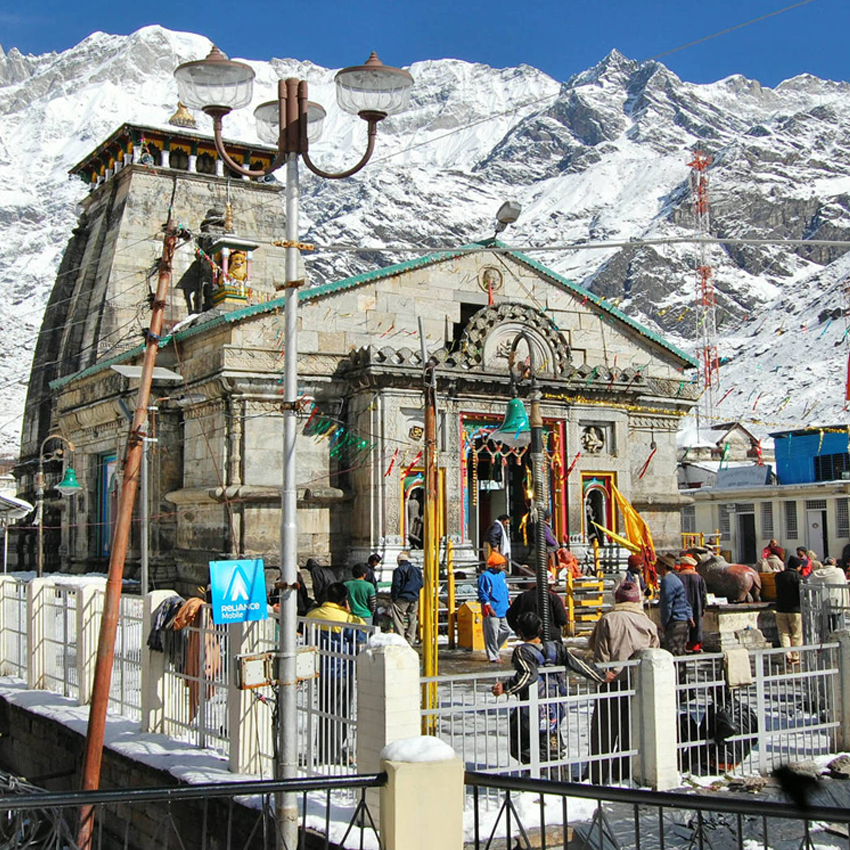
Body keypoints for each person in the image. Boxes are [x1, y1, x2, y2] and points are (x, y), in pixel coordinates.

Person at [492, 611, 610, 766]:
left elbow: (528, 674)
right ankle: (551, 768)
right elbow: (577, 662)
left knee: (520, 745)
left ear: (520, 632)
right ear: (540, 630)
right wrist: (601, 675)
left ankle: (539, 773)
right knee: (550, 741)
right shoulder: (555, 648)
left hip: (532, 707)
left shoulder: (522, 651)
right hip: (555, 705)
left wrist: (506, 687)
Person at [588, 581, 659, 783]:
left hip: (612, 681)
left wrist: (602, 674)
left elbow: (601, 653)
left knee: (603, 733)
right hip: (638, 683)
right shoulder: (648, 623)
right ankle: (624, 774)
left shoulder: (608, 620)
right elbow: (654, 652)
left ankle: (598, 776)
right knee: (631, 731)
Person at [305, 582, 366, 763]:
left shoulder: (313, 614)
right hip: (341, 670)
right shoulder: (346, 619)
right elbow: (362, 635)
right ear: (343, 600)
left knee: (325, 711)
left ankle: (324, 750)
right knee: (341, 714)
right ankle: (334, 752)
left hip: (318, 669)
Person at [506, 573, 568, 638]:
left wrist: (518, 629)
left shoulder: (523, 597)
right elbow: (563, 619)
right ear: (551, 585)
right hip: (551, 636)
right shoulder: (554, 598)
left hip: (529, 636)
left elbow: (510, 615)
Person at [478, 551, 512, 662]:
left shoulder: (501, 575)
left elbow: (505, 589)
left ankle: (494, 650)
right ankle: (493, 656)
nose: (504, 566)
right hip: (492, 608)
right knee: (492, 633)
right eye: (502, 564)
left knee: (506, 630)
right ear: (496, 565)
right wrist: (488, 607)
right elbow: (483, 593)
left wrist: (509, 599)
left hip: (503, 607)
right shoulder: (485, 577)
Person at [656, 553, 693, 656]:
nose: (655, 566)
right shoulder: (674, 579)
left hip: (675, 621)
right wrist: (689, 615)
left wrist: (664, 623)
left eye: (657, 564)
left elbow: (666, 604)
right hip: (682, 620)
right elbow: (685, 600)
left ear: (663, 566)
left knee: (674, 651)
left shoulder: (668, 581)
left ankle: (678, 672)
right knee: (679, 651)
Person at [390, 551, 423, 645]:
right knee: (412, 619)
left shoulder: (398, 570)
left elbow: (396, 585)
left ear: (399, 561)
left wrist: (394, 597)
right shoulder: (417, 570)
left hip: (402, 597)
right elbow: (421, 583)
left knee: (398, 618)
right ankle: (410, 639)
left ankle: (400, 639)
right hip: (414, 597)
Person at [775, 556, 803, 664]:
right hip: (795, 609)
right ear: (798, 567)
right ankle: (795, 656)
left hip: (780, 608)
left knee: (783, 633)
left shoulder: (778, 576)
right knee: (796, 634)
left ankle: (787, 654)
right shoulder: (798, 578)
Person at [808, 557, 848, 634]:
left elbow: (808, 581)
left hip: (822, 603)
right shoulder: (839, 571)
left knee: (823, 625)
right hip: (838, 602)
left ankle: (825, 638)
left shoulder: (817, 573)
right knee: (837, 624)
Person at [677, 555, 707, 652]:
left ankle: (685, 646)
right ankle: (695, 647)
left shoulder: (678, 577)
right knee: (696, 625)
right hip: (697, 606)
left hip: (681, 607)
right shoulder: (699, 578)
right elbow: (704, 595)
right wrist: (703, 608)